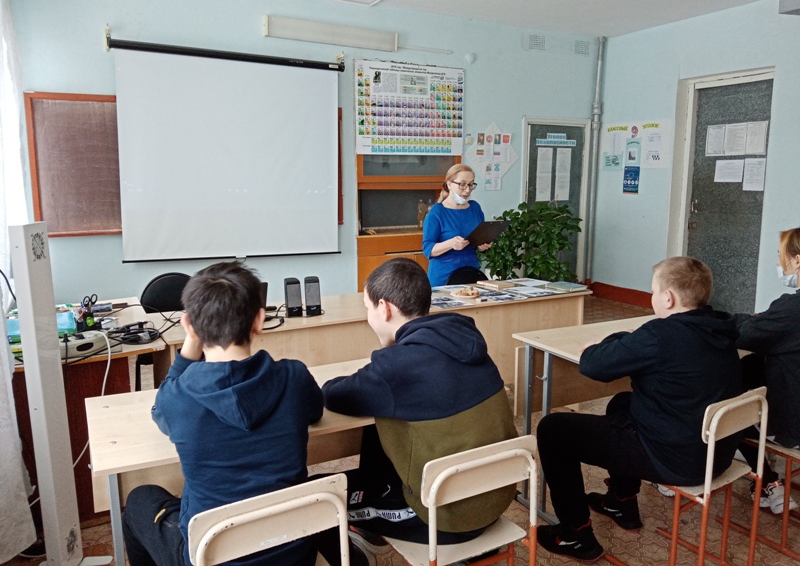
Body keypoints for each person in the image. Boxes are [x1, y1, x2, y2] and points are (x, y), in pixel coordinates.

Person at [536, 257, 742, 561]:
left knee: (553, 429)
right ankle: (621, 501)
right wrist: (631, 341)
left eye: (653, 291)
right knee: (621, 402)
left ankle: (575, 534)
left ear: (668, 298)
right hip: (715, 454)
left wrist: (611, 343)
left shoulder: (659, 335)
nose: (652, 297)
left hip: (673, 458)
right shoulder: (722, 328)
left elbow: (594, 365)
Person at [122, 262, 325, 566]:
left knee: (140, 498)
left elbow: (160, 410)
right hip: (293, 554)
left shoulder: (178, 397)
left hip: (207, 556)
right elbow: (315, 410)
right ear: (259, 319)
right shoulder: (294, 378)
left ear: (189, 325)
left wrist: (189, 347)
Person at [321, 258, 518, 560]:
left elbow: (334, 395)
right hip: (496, 496)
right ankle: (376, 530)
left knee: (318, 501)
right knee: (384, 426)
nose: (368, 316)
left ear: (384, 308)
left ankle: (362, 551)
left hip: (446, 517)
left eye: (368, 308)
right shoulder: (465, 339)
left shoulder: (395, 367)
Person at [733, 226, 800, 514]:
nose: (778, 262)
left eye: (780, 255)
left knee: (725, 407)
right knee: (750, 366)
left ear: (797, 260)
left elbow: (744, 334)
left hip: (792, 425)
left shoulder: (792, 309)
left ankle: (766, 479)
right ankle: (768, 481)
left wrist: (708, 318)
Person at [422, 163, 491, 286]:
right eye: (462, 184)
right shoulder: (437, 212)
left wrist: (482, 246)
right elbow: (428, 249)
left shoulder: (475, 208)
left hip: (471, 274)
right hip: (443, 278)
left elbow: (479, 238)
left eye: (471, 184)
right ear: (449, 184)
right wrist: (450, 244)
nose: (467, 190)